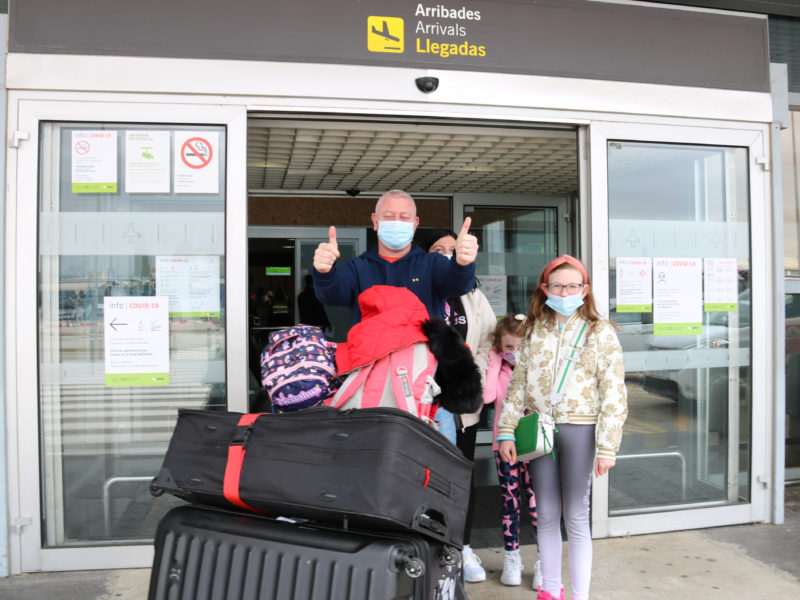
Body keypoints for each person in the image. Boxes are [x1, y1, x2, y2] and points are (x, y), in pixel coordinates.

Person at [497, 255, 627, 600]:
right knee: (547, 514)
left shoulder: (601, 331)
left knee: (576, 516)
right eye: (557, 285)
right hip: (541, 428)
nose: (565, 291)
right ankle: (550, 590)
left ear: (584, 290)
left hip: (581, 430)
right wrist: (506, 430)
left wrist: (607, 446)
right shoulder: (533, 330)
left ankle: (580, 594)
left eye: (572, 285)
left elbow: (614, 390)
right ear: (545, 289)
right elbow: (517, 385)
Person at [423, 227, 496, 584]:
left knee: (462, 478)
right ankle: (428, 548)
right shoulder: (418, 291)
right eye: (438, 250)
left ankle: (462, 546)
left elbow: (488, 339)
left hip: (462, 403)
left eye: (453, 249)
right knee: (424, 477)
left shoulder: (473, 294)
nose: (448, 255)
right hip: (424, 404)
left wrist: (472, 374)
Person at [312, 189, 478, 323]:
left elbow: (458, 287)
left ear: (415, 224)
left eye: (404, 217)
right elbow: (331, 296)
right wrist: (324, 272)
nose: (396, 222)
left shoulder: (433, 263)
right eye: (388, 216)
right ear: (375, 221)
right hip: (372, 361)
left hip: (424, 361)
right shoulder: (357, 268)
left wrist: (462, 264)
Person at [484, 313, 542, 588]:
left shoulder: (539, 369)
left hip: (535, 446)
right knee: (510, 501)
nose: (514, 353)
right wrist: (495, 361)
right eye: (508, 347)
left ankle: (545, 560)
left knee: (537, 503)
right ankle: (511, 557)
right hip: (503, 446)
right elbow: (485, 397)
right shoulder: (501, 370)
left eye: (519, 347)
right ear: (500, 347)